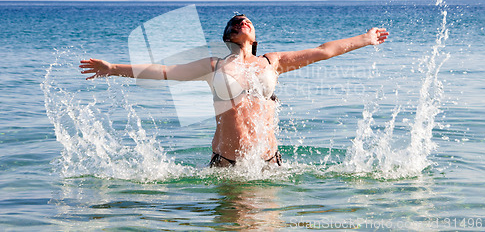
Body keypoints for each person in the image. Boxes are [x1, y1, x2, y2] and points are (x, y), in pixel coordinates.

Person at [80, 14, 388, 167]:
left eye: (248, 21)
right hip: (227, 166)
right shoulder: (214, 65)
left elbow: (323, 50)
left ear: (254, 37)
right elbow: (164, 72)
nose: (243, 21)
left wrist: (365, 38)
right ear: (229, 35)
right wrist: (114, 69)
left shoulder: (273, 62)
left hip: (269, 165)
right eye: (237, 21)